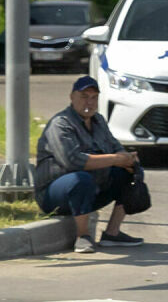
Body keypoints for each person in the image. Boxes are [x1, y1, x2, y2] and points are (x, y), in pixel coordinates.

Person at [35, 75, 146, 253]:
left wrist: (128, 159)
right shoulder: (60, 124)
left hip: (91, 189)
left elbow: (116, 147)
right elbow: (73, 161)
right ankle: (83, 236)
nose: (90, 102)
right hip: (55, 194)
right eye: (84, 96)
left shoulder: (99, 121)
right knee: (81, 179)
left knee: (129, 171)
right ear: (72, 97)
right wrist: (116, 159)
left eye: (94, 97)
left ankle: (112, 233)